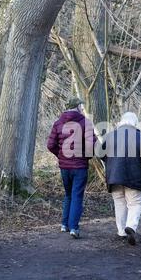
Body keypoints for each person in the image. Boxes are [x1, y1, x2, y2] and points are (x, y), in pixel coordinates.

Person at [100, 112, 141, 245]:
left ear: (122, 122)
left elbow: (100, 154)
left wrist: (111, 163)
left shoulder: (110, 136)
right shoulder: (140, 137)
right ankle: (131, 227)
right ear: (135, 123)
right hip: (135, 178)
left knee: (119, 203)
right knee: (135, 203)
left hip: (114, 177)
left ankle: (121, 231)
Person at [47, 97, 96, 239]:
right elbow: (91, 146)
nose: (82, 108)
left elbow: (50, 145)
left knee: (68, 194)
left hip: (64, 166)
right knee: (76, 196)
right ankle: (73, 227)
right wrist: (86, 157)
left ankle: (64, 225)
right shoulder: (85, 123)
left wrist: (61, 155)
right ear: (78, 106)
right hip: (80, 166)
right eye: (81, 105)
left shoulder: (58, 123)